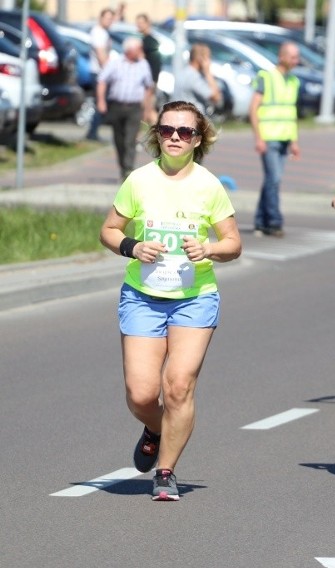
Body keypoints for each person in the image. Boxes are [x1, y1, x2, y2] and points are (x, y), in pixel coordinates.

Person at [99, 100, 242, 501]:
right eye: (167, 130)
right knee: (142, 394)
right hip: (143, 297)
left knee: (178, 386)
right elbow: (108, 230)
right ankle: (157, 427)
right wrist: (133, 246)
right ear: (156, 135)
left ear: (199, 140)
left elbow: (233, 244)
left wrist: (210, 250)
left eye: (185, 132)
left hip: (194, 298)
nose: (175, 137)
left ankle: (166, 470)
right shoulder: (138, 181)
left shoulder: (209, 185)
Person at [249, 41, 301, 238]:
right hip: (268, 137)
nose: (296, 61)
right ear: (282, 56)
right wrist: (258, 138)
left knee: (272, 180)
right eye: (293, 57)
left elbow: (291, 112)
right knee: (274, 179)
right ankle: (274, 221)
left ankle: (260, 221)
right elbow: (253, 108)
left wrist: (295, 142)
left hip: (285, 138)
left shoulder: (294, 81)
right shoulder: (266, 77)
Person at [96, 36, 155, 181]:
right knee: (119, 139)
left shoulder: (143, 64)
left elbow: (149, 86)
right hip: (117, 105)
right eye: (139, 48)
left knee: (130, 138)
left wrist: (147, 107)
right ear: (130, 50)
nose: (141, 51)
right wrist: (101, 101)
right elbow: (102, 80)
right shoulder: (116, 63)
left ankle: (128, 168)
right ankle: (123, 165)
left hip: (134, 107)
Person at [86, 8, 115, 142]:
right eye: (107, 18)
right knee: (101, 103)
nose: (110, 21)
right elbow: (101, 55)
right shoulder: (98, 33)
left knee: (102, 103)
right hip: (99, 73)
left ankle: (93, 132)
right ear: (101, 18)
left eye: (111, 19)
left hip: (101, 73)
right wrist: (110, 71)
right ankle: (92, 133)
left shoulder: (104, 32)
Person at [184, 43, 222, 115]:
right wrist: (208, 72)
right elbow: (216, 97)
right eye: (208, 57)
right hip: (193, 119)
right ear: (201, 59)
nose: (210, 61)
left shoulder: (185, 72)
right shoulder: (193, 77)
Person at [136, 14, 161, 85]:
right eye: (137, 23)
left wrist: (154, 81)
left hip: (149, 80)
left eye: (141, 23)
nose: (139, 25)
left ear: (147, 23)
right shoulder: (145, 40)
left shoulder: (149, 42)